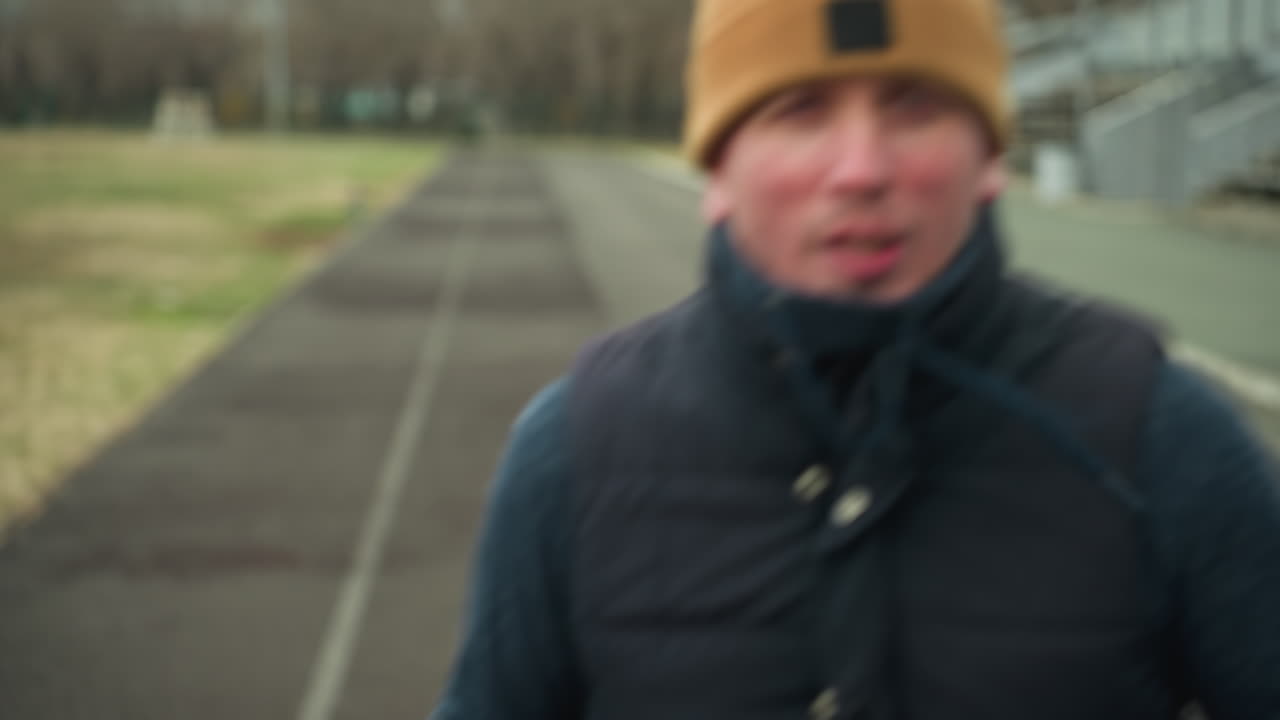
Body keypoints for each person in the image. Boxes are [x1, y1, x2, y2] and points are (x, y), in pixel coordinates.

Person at [430, 0, 1280, 717]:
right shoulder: (573, 451)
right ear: (717, 168)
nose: (862, 170)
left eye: (915, 105)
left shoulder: (1164, 441)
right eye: (800, 109)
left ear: (990, 156)